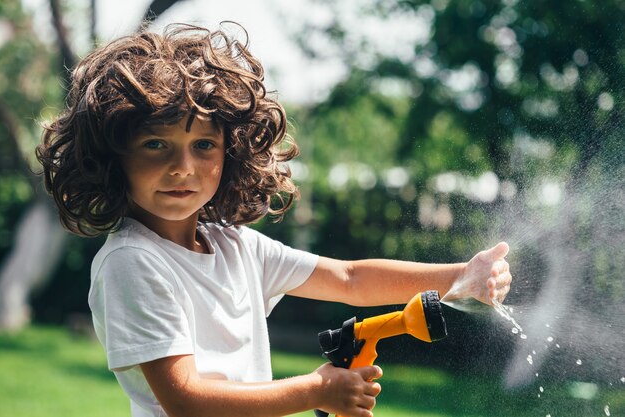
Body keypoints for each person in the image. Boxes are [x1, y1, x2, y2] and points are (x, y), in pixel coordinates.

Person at [36, 23, 512, 417]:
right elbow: (186, 399)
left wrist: (460, 277)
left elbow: (349, 279)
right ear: (112, 156)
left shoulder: (235, 246)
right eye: (156, 144)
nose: (183, 166)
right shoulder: (132, 262)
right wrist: (315, 390)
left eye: (203, 145)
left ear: (232, 153)